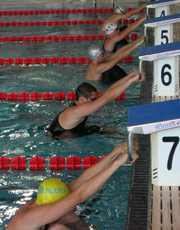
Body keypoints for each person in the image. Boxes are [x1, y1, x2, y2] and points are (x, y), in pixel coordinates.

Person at [6, 142, 139, 230]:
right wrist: (116, 165)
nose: (68, 204)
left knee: (65, 217)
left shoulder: (43, 200)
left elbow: (82, 181)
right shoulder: (30, 218)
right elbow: (80, 195)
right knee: (58, 228)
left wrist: (115, 153)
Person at [46, 69, 145, 140]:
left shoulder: (82, 104)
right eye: (93, 99)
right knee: (97, 129)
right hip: (62, 137)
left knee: (99, 128)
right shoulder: (76, 111)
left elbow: (110, 90)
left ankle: (127, 139)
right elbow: (108, 98)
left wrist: (130, 76)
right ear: (82, 99)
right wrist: (131, 80)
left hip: (73, 132)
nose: (95, 101)